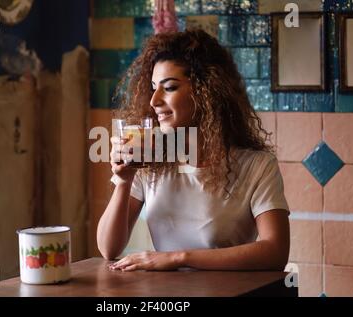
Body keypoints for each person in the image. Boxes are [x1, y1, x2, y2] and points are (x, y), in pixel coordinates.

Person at [97, 29, 290, 272]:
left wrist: (179, 258)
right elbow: (108, 249)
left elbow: (276, 251)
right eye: (153, 87)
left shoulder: (258, 165)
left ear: (205, 91)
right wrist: (124, 181)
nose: (153, 101)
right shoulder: (150, 159)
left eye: (169, 88)